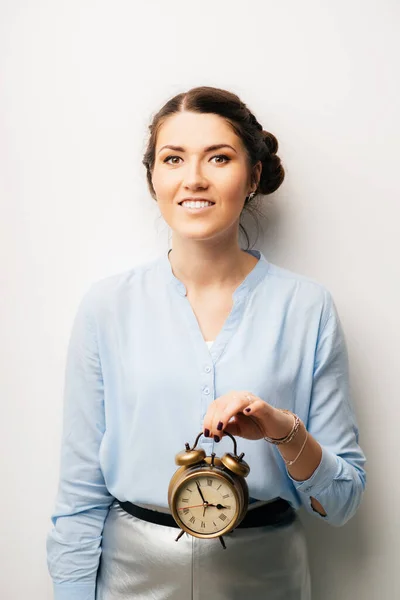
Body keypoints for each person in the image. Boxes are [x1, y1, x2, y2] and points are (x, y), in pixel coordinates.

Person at [46, 86, 367, 600]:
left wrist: (283, 430)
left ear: (254, 175)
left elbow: (342, 502)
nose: (194, 178)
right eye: (174, 159)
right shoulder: (107, 307)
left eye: (219, 158)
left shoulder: (308, 308)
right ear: (154, 177)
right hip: (132, 577)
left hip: (269, 576)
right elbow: (80, 495)